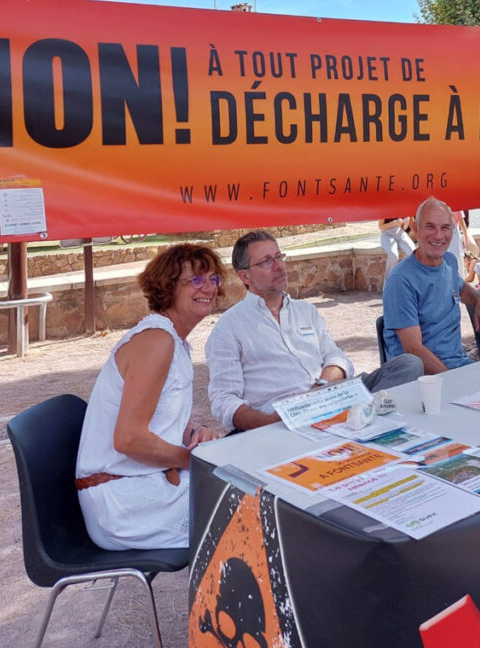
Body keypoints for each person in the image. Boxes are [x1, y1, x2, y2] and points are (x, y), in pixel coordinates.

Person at [76, 243, 223, 550]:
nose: (208, 288)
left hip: (140, 486)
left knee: (251, 492)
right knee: (254, 507)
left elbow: (164, 421)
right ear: (169, 287)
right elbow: (129, 439)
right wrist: (192, 460)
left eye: (213, 279)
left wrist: (197, 434)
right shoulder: (157, 340)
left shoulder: (174, 342)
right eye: (195, 280)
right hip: (122, 502)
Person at [205, 231, 423, 431]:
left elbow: (337, 358)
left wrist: (323, 386)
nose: (279, 266)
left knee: (408, 364)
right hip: (286, 413)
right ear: (245, 277)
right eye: (266, 261)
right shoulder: (229, 328)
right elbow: (224, 399)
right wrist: (271, 423)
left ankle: (357, 418)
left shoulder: (305, 310)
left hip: (332, 394)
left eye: (279, 257)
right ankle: (357, 422)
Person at [382, 197, 480, 372]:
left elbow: (460, 288)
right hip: (422, 380)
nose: (438, 235)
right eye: (430, 227)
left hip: (458, 365)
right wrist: (452, 380)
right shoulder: (401, 280)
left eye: (445, 228)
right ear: (415, 228)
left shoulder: (449, 262)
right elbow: (413, 350)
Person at [378, 217, 415, 285]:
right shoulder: (384, 207)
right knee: (393, 256)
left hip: (401, 234)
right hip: (387, 234)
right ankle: (388, 285)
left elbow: (404, 228)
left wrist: (405, 224)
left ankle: (413, 282)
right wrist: (394, 223)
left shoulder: (404, 207)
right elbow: (380, 226)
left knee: (414, 253)